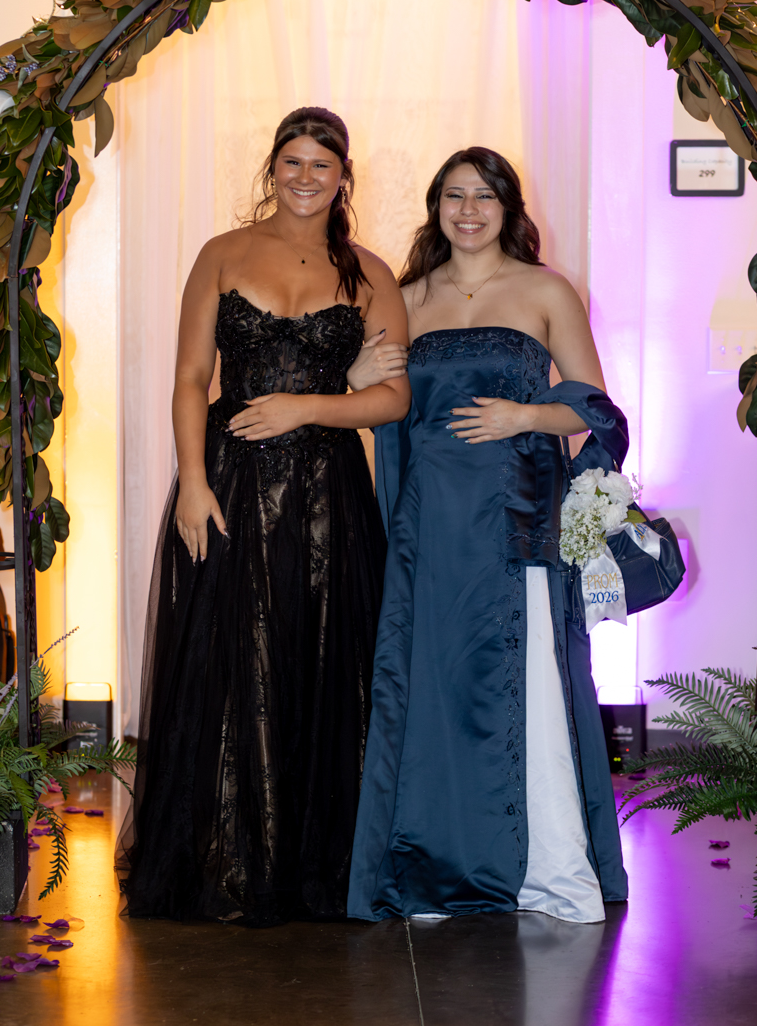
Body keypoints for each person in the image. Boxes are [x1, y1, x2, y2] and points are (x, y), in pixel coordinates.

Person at [117, 107, 410, 927]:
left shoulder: (368, 272)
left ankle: (318, 863)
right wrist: (189, 483)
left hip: (328, 498)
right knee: (228, 662)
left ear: (344, 176)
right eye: (293, 162)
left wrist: (304, 407)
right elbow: (187, 377)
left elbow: (392, 397)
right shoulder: (221, 254)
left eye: (323, 165)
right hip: (227, 487)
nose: (306, 177)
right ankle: (227, 857)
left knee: (319, 660)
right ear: (272, 167)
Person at [346, 147, 629, 924]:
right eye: (453, 197)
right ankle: (434, 866)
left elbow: (596, 409)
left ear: (509, 208)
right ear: (435, 207)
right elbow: (376, 406)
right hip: (427, 526)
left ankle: (543, 870)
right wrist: (354, 377)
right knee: (430, 691)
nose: (468, 210)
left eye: (484, 197)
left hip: (515, 525)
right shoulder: (403, 297)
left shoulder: (543, 291)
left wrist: (526, 416)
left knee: (520, 688)